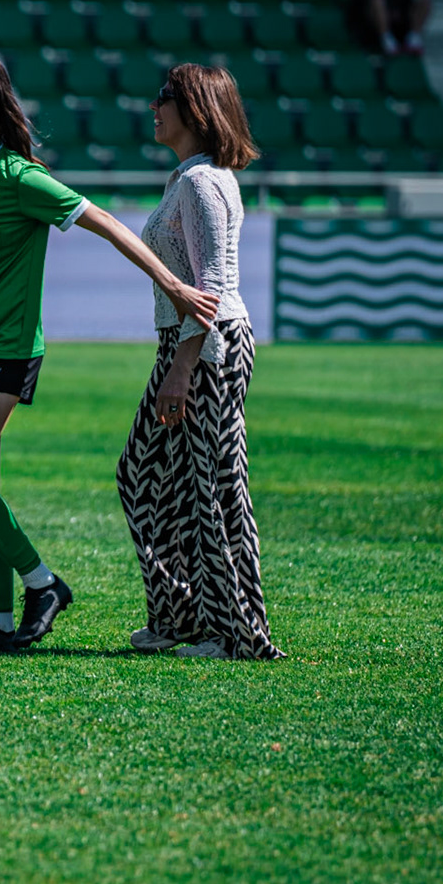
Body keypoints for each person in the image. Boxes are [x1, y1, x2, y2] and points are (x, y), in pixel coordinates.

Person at [0, 55, 221, 654]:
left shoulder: (20, 178)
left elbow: (105, 221)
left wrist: (173, 284)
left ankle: (44, 584)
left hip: (5, 347)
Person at [116, 63, 283, 661]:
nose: (154, 106)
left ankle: (237, 634)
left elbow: (215, 282)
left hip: (207, 346)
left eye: (166, 97)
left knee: (210, 488)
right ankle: (180, 616)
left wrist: (183, 368)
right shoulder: (189, 177)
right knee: (147, 476)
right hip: (189, 343)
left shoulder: (202, 182)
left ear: (196, 109)